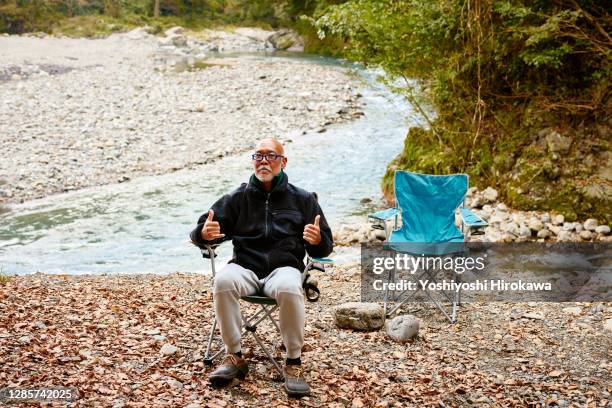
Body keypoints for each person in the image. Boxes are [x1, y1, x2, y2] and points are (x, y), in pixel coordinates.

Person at [190, 137, 333, 397]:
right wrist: (203, 233)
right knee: (222, 281)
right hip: (245, 266)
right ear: (253, 161)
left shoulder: (303, 199)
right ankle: (234, 356)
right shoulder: (236, 198)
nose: (264, 160)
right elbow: (202, 229)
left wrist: (317, 240)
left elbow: (324, 248)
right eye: (258, 156)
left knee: (291, 287)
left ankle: (293, 361)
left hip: (284, 268)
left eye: (271, 155)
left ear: (284, 162)